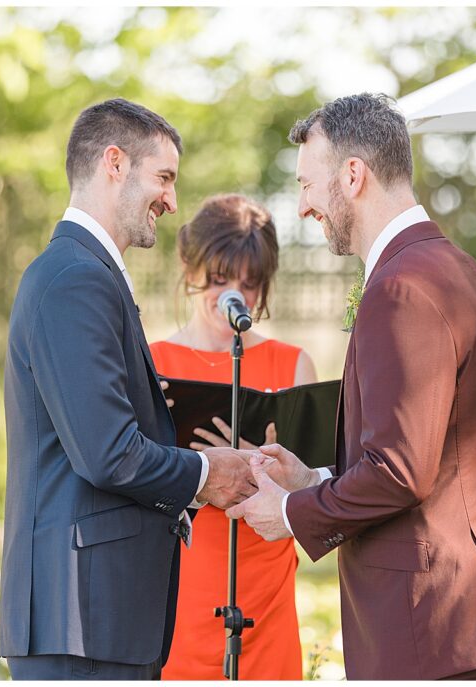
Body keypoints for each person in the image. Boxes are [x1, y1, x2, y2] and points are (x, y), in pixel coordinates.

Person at [226, 93, 476, 680]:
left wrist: (290, 510)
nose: (303, 205)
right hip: (467, 618)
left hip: (428, 625)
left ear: (353, 174)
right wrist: (315, 478)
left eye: (308, 185)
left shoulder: (401, 290)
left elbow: (399, 472)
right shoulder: (461, 271)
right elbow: (433, 457)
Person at [0, 98, 256, 681]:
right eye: (163, 178)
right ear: (114, 163)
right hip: (79, 618)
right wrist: (205, 474)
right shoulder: (76, 278)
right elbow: (108, 453)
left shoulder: (84, 272)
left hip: (93, 617)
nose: (172, 200)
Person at [149, 194, 318, 680]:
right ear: (189, 264)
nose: (233, 296)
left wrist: (263, 467)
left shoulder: (293, 363)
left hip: (265, 587)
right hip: (181, 581)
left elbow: (317, 490)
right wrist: (201, 471)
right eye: (219, 279)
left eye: (249, 284)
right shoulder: (153, 361)